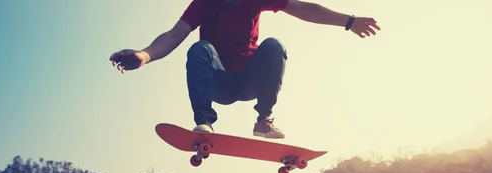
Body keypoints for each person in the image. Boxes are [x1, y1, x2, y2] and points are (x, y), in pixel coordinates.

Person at [109, 0, 379, 139]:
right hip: (221, 83)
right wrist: (145, 55)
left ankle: (264, 120)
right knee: (199, 48)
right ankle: (204, 120)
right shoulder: (206, 2)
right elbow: (174, 35)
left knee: (274, 46)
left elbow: (303, 9)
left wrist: (348, 21)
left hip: (251, 81)